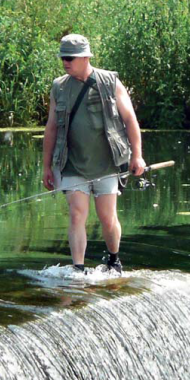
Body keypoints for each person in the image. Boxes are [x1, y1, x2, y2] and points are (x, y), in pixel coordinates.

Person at [42, 34, 146, 273]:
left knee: (107, 217)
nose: (65, 63)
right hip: (71, 163)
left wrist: (137, 155)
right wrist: (47, 166)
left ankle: (113, 259)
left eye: (70, 58)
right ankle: (78, 268)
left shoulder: (110, 82)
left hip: (107, 163)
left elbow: (130, 120)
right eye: (62, 58)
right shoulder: (59, 86)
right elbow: (51, 128)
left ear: (86, 57)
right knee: (77, 214)